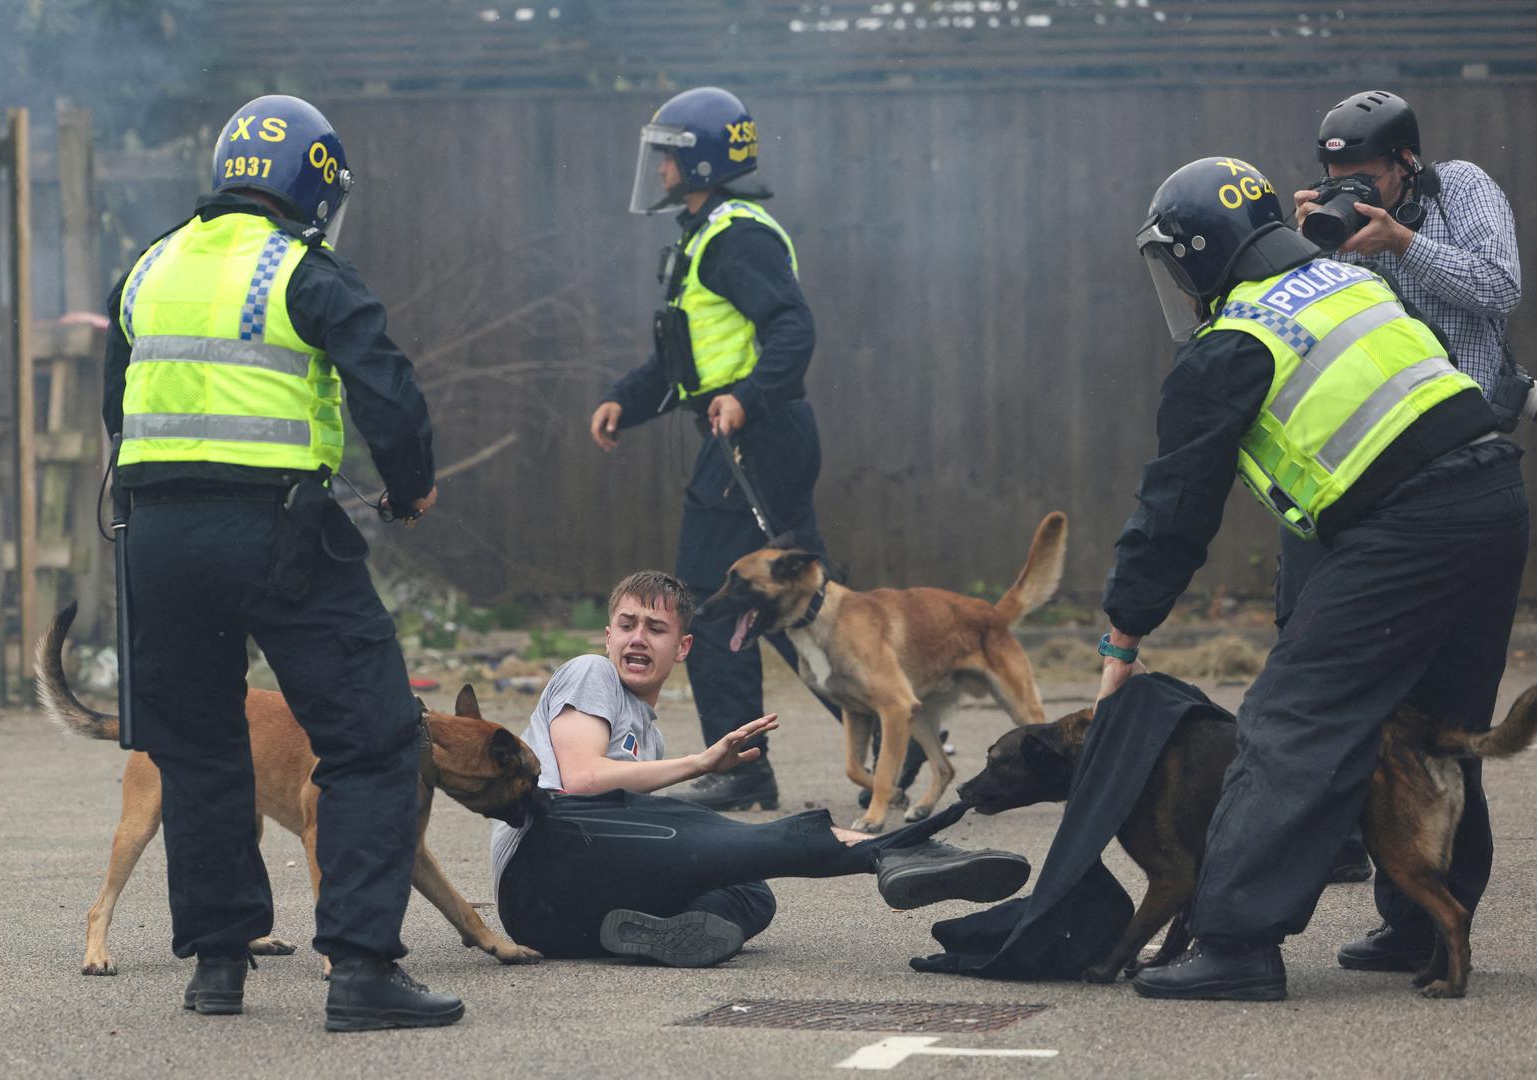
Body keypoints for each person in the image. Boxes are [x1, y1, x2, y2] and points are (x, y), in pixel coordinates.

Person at [1095, 156, 1526, 1000]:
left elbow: (1174, 508)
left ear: (1193, 255)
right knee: (1434, 725)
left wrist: (1123, 631)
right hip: (1495, 499)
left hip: (1408, 523)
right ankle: (1420, 928)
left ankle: (1234, 946)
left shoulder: (1229, 344)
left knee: (1291, 724)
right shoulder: (1346, 283)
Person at [102, 94, 461, 1031]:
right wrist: (411, 482)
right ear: (312, 184)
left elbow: (120, 413)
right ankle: (362, 972)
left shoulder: (144, 271)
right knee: (377, 737)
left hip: (159, 540)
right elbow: (386, 385)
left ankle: (217, 967)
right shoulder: (305, 269)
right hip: (280, 533)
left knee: (198, 748)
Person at [489, 570, 1031, 966]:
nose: (636, 637)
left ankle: (661, 937)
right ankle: (900, 851)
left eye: (655, 628)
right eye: (626, 624)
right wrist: (700, 764)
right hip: (543, 859)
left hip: (566, 925)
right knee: (719, 832)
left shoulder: (647, 733)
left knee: (751, 890)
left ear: (682, 647)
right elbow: (580, 779)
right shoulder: (590, 673)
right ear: (607, 636)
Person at [1284, 90, 1522, 903]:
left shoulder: (1461, 191)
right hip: (1377, 486)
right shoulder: (1335, 234)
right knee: (1373, 701)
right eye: (1335, 176)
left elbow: (1497, 289)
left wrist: (1402, 244)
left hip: (1468, 468)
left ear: (1405, 165)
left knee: (1448, 710)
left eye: (1365, 176)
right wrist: (1303, 244)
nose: (1353, 190)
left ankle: (1433, 913)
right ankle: (1387, 890)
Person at [589, 86, 841, 813]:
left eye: (668, 155)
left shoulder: (736, 236)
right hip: (755, 435)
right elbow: (681, 366)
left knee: (712, 599)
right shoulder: (702, 236)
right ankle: (908, 739)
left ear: (698, 161)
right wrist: (622, 401)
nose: (659, 169)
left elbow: (793, 329)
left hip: (753, 438)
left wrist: (748, 396)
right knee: (805, 605)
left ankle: (741, 769)